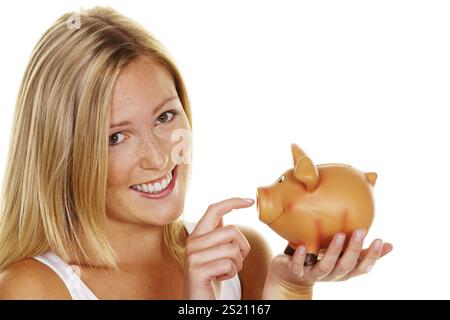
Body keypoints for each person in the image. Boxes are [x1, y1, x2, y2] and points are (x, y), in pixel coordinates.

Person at [0, 6, 393, 300]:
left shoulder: (244, 257)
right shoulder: (33, 288)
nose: (158, 158)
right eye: (115, 137)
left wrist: (290, 286)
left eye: (165, 116)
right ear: (61, 154)